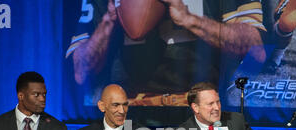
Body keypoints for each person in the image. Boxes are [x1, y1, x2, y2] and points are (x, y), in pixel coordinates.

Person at [65, 0, 267, 107]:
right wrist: (109, 20)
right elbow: (80, 72)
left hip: (197, 107)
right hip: (130, 108)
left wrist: (190, 20)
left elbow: (255, 50)